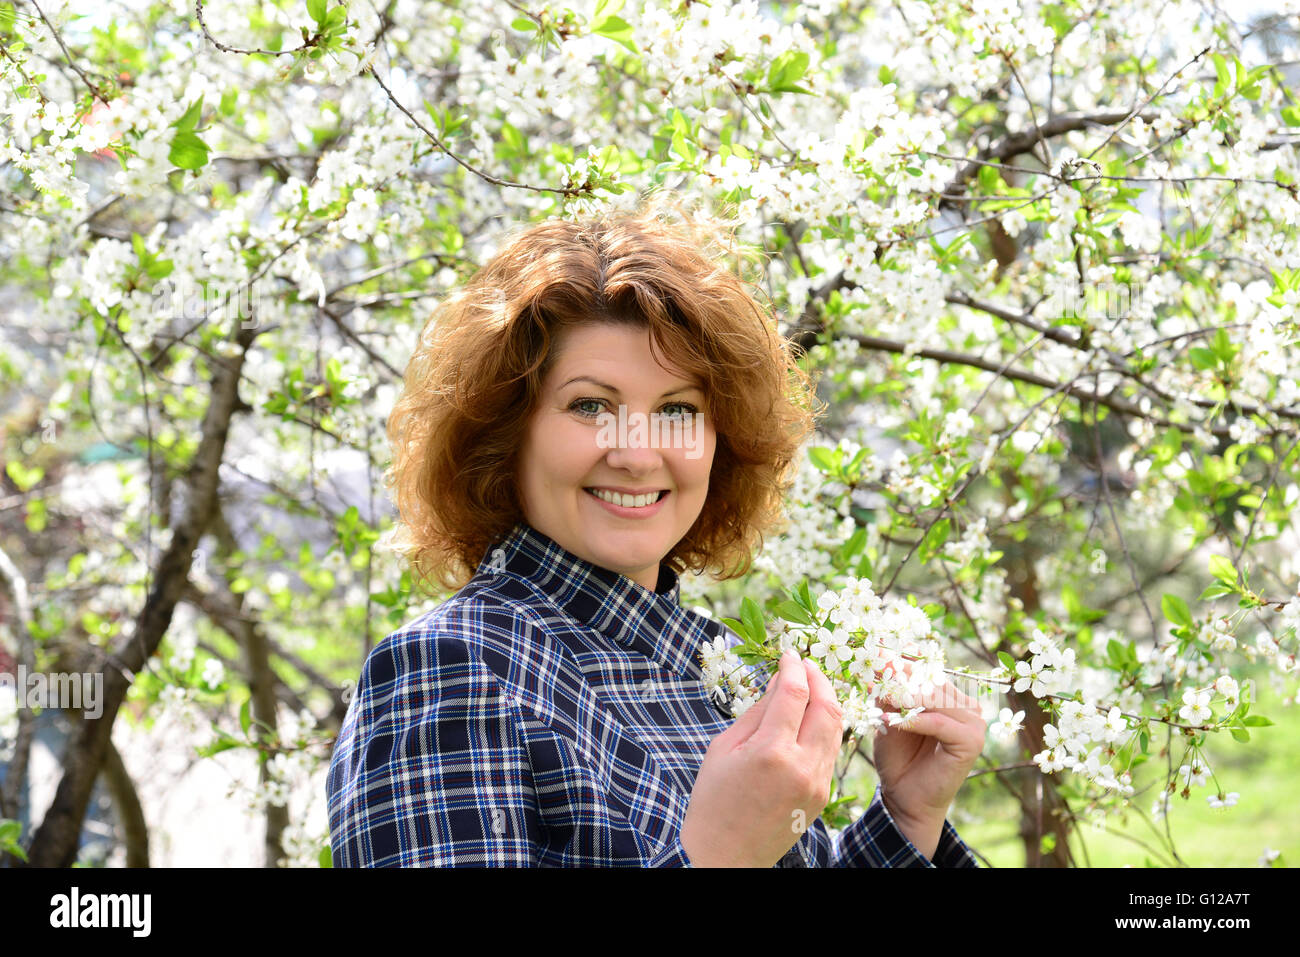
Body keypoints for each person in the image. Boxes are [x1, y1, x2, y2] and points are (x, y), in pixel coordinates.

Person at [325, 198, 986, 867]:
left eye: (676, 409)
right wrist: (719, 856)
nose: (638, 453)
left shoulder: (730, 669)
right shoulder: (450, 670)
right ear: (505, 434)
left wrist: (908, 814)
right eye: (590, 405)